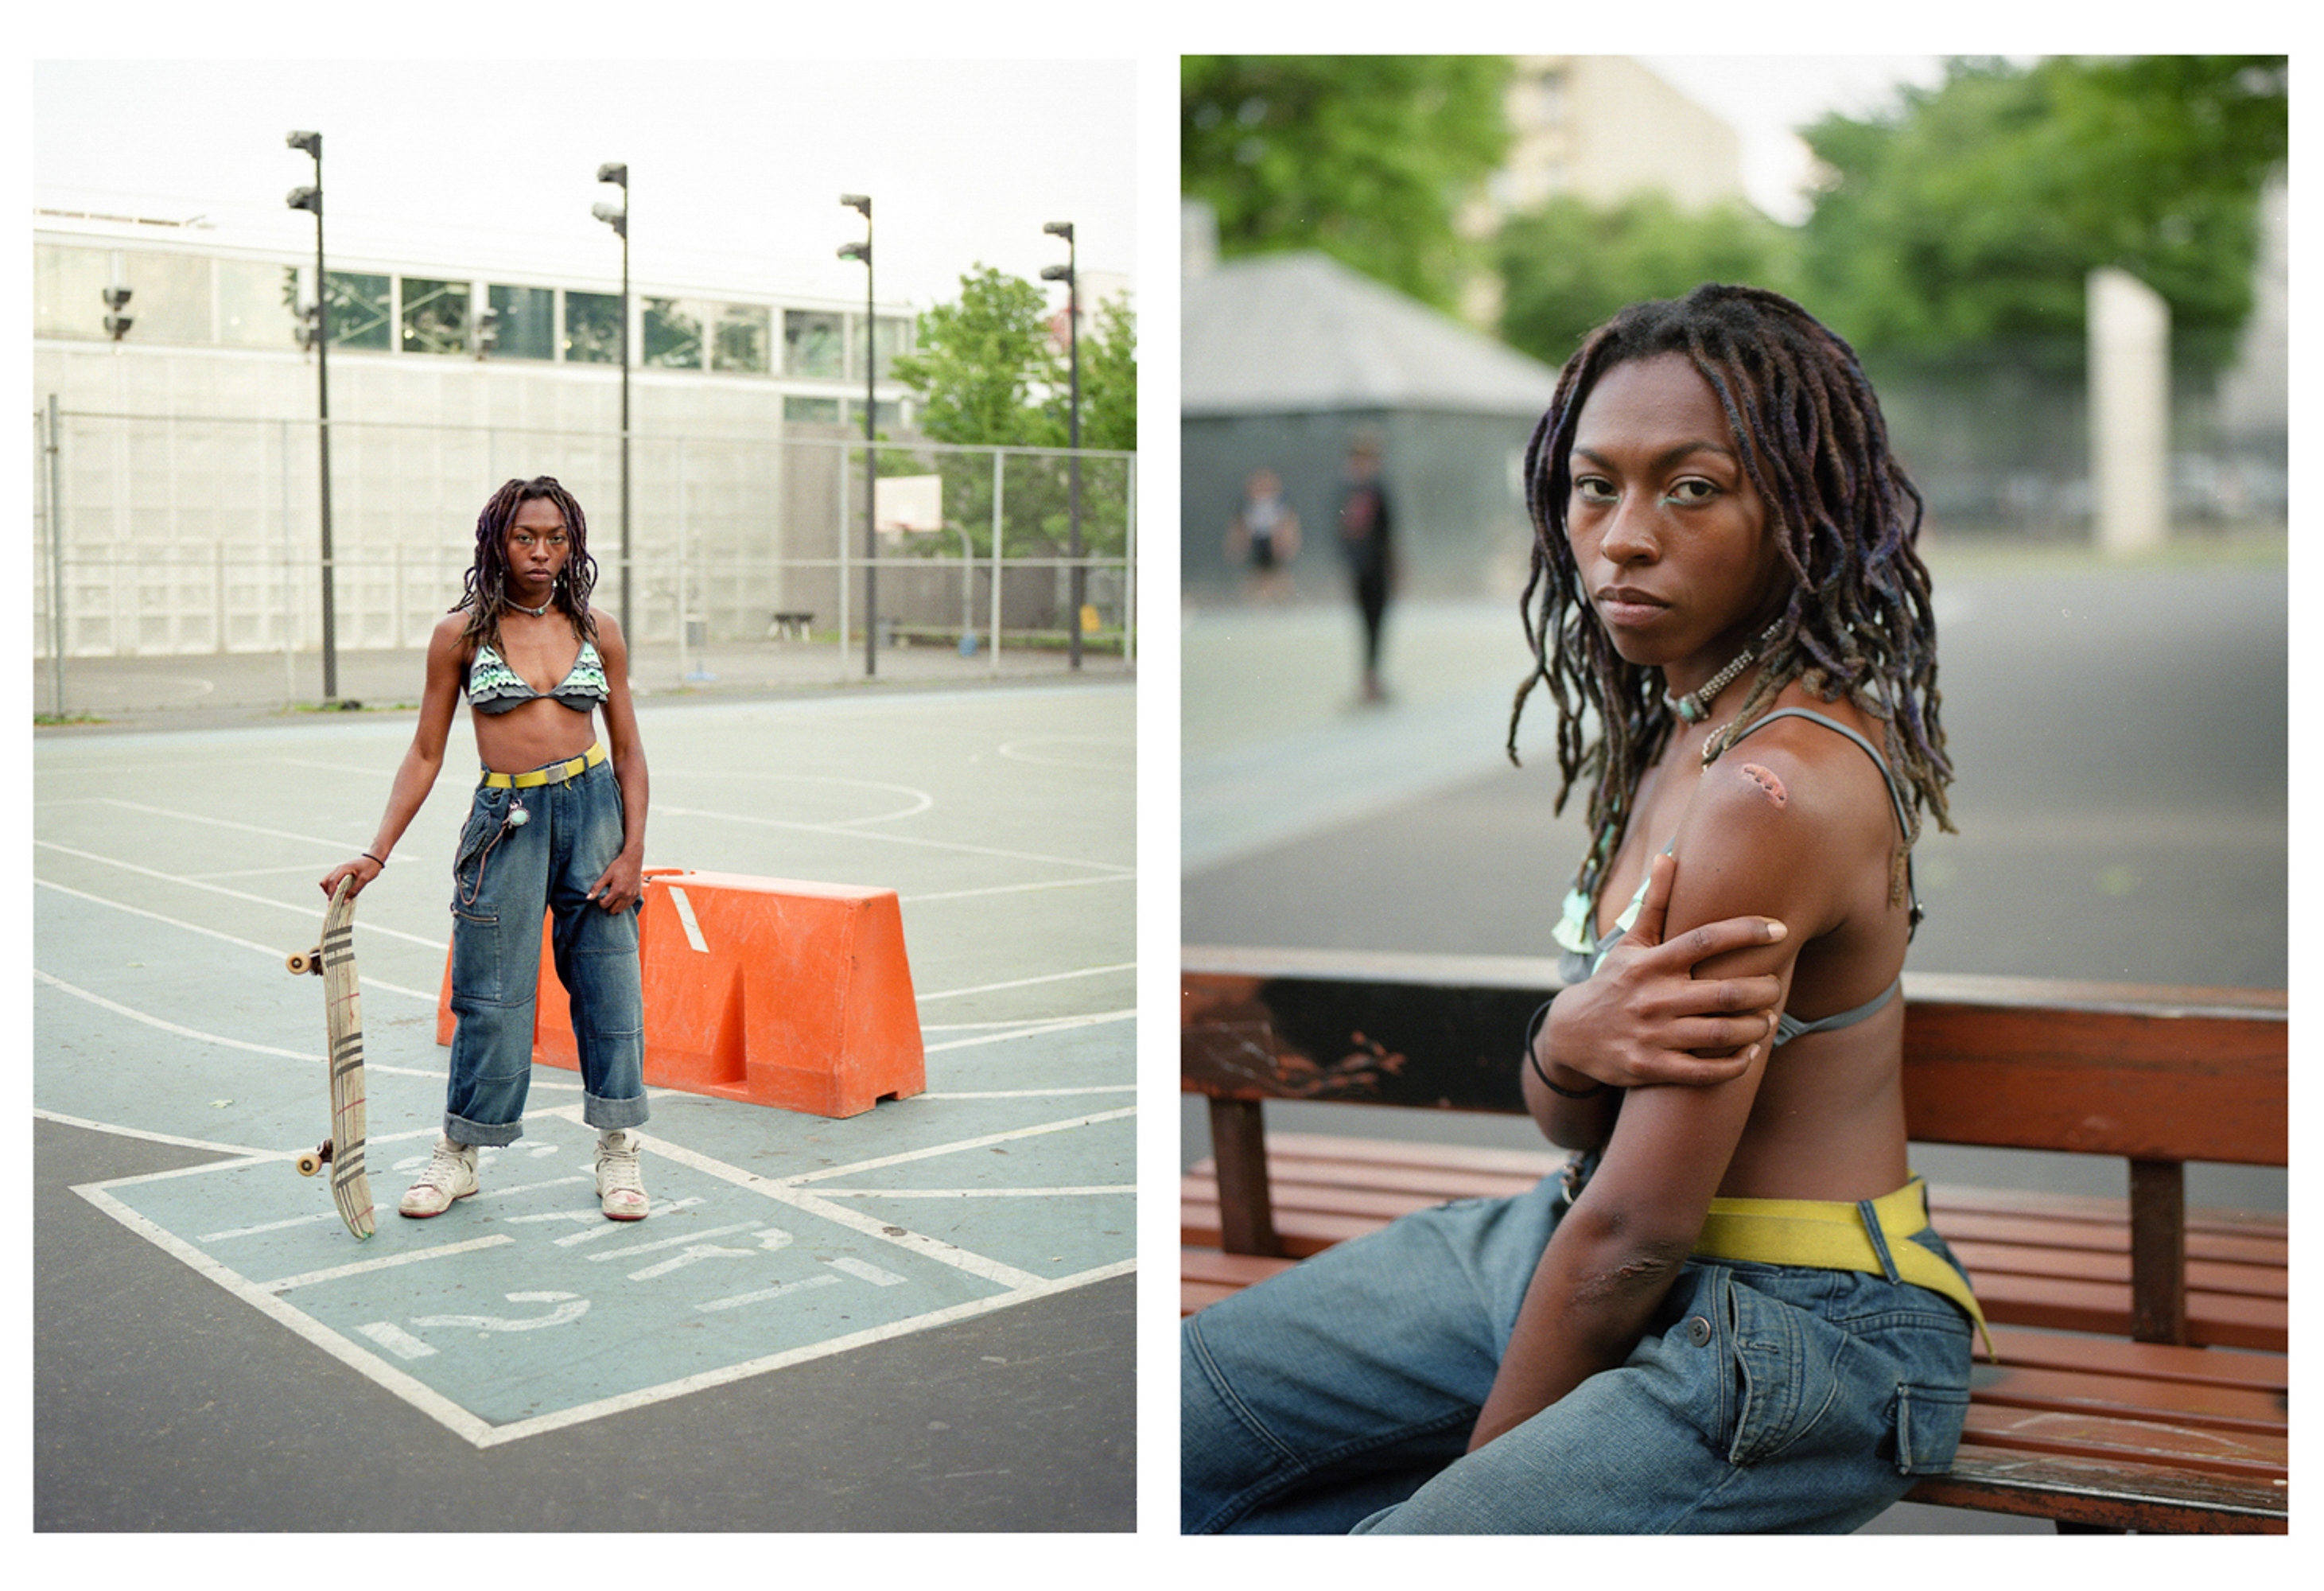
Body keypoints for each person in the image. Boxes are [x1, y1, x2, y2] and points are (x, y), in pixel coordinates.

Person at [1181, 285, 1979, 1534]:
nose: (1623, 536)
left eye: (1692, 487)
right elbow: (1570, 1113)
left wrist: (1465, 1494)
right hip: (1581, 1237)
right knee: (1182, 1425)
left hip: (1796, 1313)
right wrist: (1564, 1039)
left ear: (1802, 513)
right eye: (1594, 487)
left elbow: (1635, 1224)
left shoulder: (1770, 792)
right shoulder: (1673, 731)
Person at [320, 476, 655, 1223]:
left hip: (594, 811)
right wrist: (375, 853)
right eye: (525, 537)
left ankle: (618, 1151)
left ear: (574, 545)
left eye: (556, 538)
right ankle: (459, 1155)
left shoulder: (599, 628)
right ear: (496, 543)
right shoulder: (461, 635)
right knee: (490, 998)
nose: (541, 553)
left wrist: (632, 852)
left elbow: (629, 750)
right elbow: (426, 752)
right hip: (506, 821)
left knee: (610, 988)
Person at [1335, 432, 1393, 702]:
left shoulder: (1379, 490)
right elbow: (1341, 533)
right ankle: (1368, 679)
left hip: (1379, 569)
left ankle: (1373, 678)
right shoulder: (1346, 493)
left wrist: (1395, 566)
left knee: (1377, 624)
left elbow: (1389, 532)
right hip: (1360, 569)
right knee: (1366, 625)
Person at [1226, 466, 1301, 603]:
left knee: (1278, 572)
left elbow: (1289, 523)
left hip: (1275, 541)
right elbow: (1239, 525)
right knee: (1257, 574)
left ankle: (1284, 600)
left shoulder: (1280, 502)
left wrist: (1289, 542)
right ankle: (1257, 602)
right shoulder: (1246, 504)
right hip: (1257, 541)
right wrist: (1238, 544)